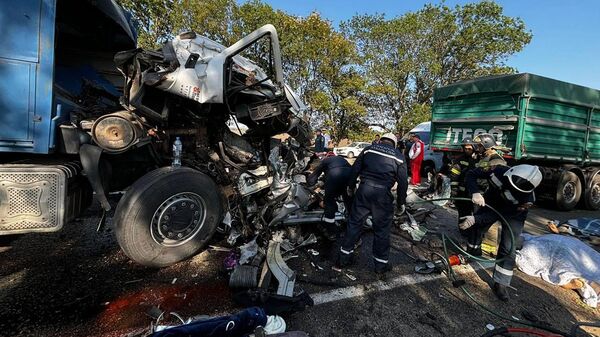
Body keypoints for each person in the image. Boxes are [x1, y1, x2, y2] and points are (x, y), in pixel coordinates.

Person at [460, 164, 542, 301]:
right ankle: (472, 253)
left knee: (508, 246)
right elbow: (471, 174)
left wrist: (477, 218)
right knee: (476, 230)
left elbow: (501, 215)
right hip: (491, 202)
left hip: (512, 215)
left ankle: (501, 283)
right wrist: (475, 191)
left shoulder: (527, 200)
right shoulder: (497, 170)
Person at [337, 133, 408, 274]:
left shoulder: (369, 149)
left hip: (364, 191)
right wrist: (401, 203)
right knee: (381, 230)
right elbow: (403, 183)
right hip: (382, 196)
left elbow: (355, 169)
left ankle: (344, 259)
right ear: (394, 143)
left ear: (381, 140)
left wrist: (351, 187)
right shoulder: (399, 156)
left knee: (354, 224)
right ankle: (380, 266)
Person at [306, 154, 352, 241]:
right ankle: (351, 228)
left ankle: (332, 231)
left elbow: (314, 176)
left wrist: (309, 183)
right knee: (349, 201)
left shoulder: (325, 161)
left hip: (334, 176)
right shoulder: (342, 160)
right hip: (349, 177)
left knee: (329, 202)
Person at [448, 137, 478, 234]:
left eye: (469, 148)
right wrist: (454, 193)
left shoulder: (479, 159)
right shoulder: (459, 160)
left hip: (475, 193)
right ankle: (463, 231)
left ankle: (474, 232)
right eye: (465, 148)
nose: (467, 150)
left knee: (477, 213)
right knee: (463, 211)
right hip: (462, 192)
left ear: (474, 147)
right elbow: (454, 177)